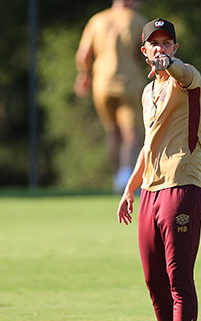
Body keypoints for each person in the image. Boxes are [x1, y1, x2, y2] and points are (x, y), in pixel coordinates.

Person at [117, 18, 201, 321]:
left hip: (182, 186)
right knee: (154, 282)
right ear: (143, 51)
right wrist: (130, 188)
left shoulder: (187, 79)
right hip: (151, 193)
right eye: (154, 44)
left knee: (178, 279)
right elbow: (147, 144)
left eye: (167, 42)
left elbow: (183, 74)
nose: (161, 48)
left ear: (175, 47)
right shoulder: (146, 93)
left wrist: (171, 66)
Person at [74, 0, 148, 193]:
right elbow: (148, 52)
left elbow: (83, 55)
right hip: (129, 83)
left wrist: (84, 75)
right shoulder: (138, 20)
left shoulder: (97, 20)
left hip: (102, 84)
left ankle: (117, 179)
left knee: (113, 131)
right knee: (132, 133)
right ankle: (126, 177)